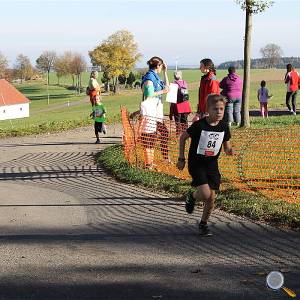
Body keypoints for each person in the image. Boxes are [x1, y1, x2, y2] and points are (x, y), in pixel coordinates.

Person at [177, 94, 233, 236]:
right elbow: (183, 137)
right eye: (215, 109)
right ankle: (192, 196)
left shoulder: (224, 126)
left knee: (211, 197)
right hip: (197, 164)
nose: (219, 112)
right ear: (208, 109)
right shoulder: (199, 125)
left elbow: (226, 145)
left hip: (212, 165)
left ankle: (203, 224)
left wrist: (229, 150)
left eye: (221, 109)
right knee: (206, 193)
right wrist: (181, 158)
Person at [138, 56, 170, 168]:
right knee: (149, 138)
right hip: (150, 114)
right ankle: (149, 163)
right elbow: (149, 94)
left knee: (161, 134)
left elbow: (167, 87)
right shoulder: (149, 77)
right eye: (162, 66)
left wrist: (165, 72)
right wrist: (163, 91)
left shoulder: (155, 76)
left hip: (156, 114)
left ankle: (157, 160)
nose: (162, 68)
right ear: (158, 65)